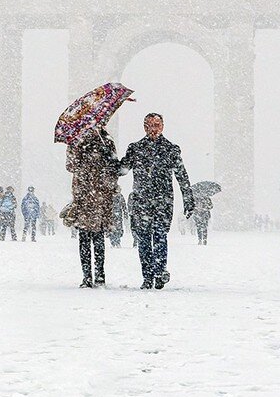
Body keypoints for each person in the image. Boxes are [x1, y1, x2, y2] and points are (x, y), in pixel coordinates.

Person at [119, 113, 194, 290]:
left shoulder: (171, 149)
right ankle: (147, 275)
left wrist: (188, 198)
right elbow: (122, 170)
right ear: (144, 127)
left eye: (157, 125)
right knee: (144, 239)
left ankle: (159, 272)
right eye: (150, 125)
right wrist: (109, 160)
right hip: (142, 201)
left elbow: (181, 175)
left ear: (162, 127)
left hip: (163, 202)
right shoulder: (135, 149)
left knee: (160, 236)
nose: (153, 129)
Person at [65, 125, 119, 288]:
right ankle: (87, 275)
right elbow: (70, 166)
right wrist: (78, 149)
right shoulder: (77, 141)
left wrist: (106, 155)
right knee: (85, 238)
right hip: (84, 195)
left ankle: (99, 274)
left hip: (100, 195)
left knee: (98, 237)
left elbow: (114, 167)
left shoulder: (106, 140)